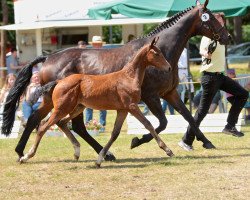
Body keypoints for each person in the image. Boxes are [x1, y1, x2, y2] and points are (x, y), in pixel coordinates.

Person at [179, 34, 249, 151]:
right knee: (202, 111)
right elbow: (202, 50)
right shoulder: (207, 37)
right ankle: (186, 141)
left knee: (243, 94)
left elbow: (227, 39)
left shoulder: (221, 37)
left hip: (221, 76)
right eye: (219, 21)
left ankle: (230, 126)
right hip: (210, 77)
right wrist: (205, 53)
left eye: (222, 22)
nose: (221, 25)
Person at [85, 36, 107, 132]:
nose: (97, 45)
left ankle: (101, 126)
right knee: (88, 104)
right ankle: (89, 126)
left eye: (99, 44)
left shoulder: (106, 55)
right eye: (96, 44)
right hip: (90, 82)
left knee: (103, 105)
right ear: (93, 44)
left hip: (102, 81)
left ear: (101, 45)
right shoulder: (88, 55)